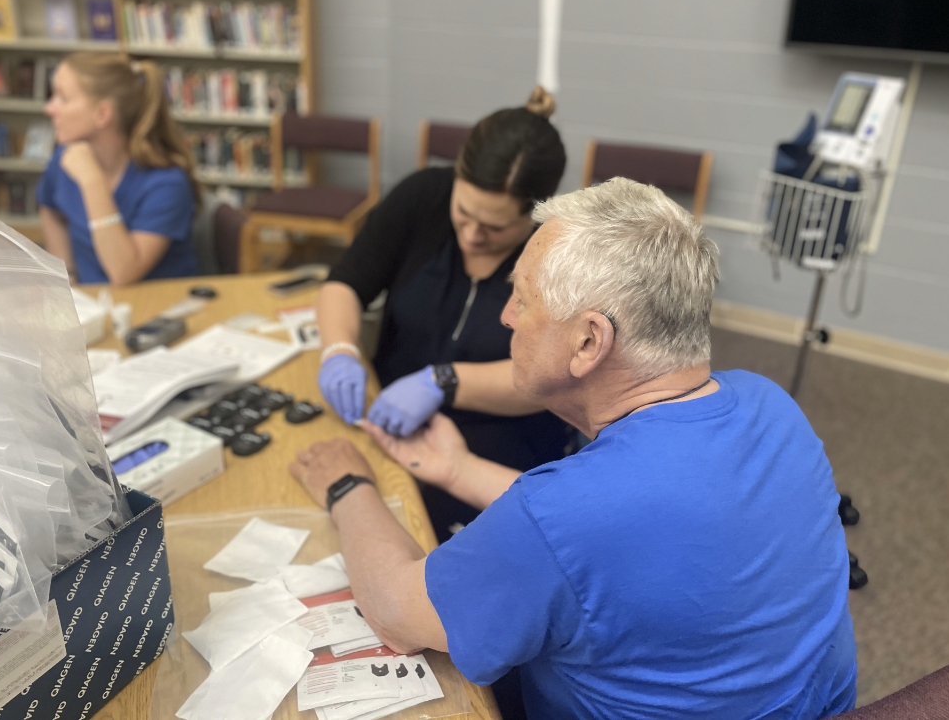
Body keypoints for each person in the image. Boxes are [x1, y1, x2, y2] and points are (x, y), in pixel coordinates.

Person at [290, 178, 858, 720]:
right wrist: (459, 469)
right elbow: (620, 541)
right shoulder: (770, 403)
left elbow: (394, 609)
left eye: (523, 299)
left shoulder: (564, 513)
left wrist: (349, 486)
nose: (506, 316)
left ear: (589, 341)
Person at [317, 86, 574, 542]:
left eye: (494, 227)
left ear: (537, 215)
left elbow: (552, 378)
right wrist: (338, 349)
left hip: (498, 458)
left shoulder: (562, 251)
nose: (473, 236)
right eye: (464, 213)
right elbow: (347, 281)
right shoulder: (423, 196)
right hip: (387, 425)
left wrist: (444, 382)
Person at [38, 52, 199, 285]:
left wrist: (92, 181)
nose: (49, 109)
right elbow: (50, 208)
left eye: (62, 98)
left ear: (102, 114)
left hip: (157, 307)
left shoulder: (167, 183)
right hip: (92, 305)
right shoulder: (65, 159)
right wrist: (67, 274)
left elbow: (123, 272)